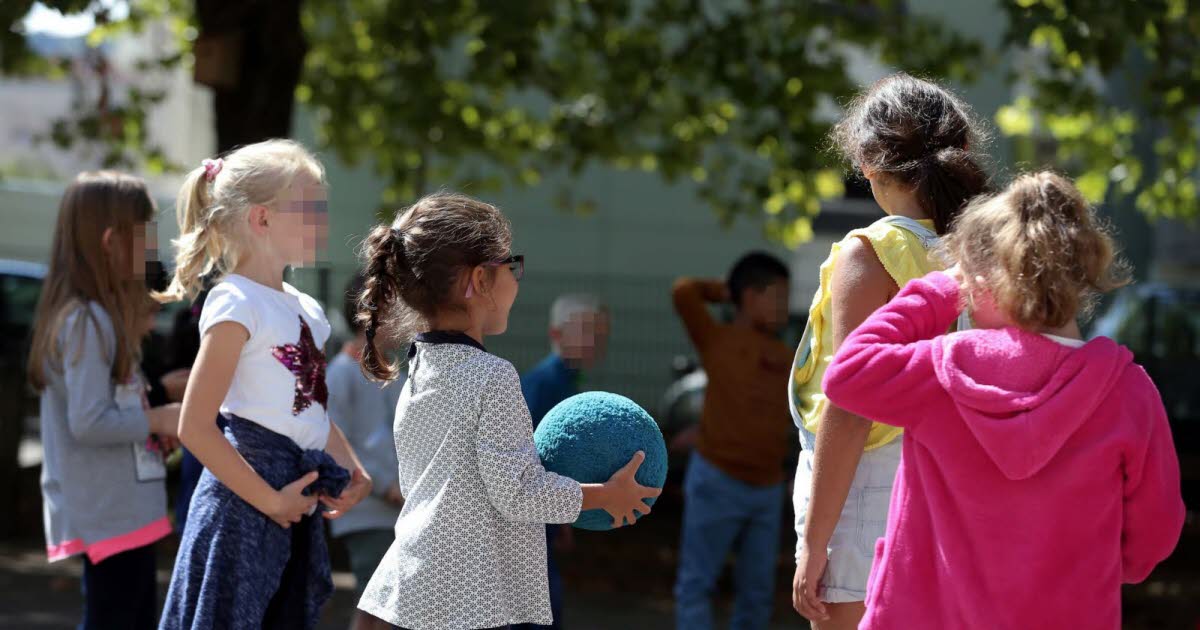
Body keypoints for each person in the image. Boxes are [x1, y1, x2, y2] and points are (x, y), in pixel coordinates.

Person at [821, 171, 1185, 629]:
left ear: (983, 280)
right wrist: (1100, 568)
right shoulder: (1128, 391)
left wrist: (939, 291)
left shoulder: (943, 371)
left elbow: (847, 374)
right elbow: (1156, 532)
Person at [353, 192, 660, 630]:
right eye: (510, 265)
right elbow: (518, 493)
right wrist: (605, 495)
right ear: (480, 280)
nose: (517, 280)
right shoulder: (491, 376)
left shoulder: (420, 370)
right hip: (466, 598)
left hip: (420, 583)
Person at [790, 73, 988, 630]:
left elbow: (850, 405)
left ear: (867, 161)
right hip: (953, 488)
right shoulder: (979, 254)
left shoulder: (870, 252)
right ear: (960, 150)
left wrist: (816, 542)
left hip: (864, 493)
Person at [157, 140, 373, 630]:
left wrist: (353, 468)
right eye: (310, 209)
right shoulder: (236, 301)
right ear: (262, 219)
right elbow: (195, 427)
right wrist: (271, 501)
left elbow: (309, 411)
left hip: (291, 504)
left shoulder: (307, 309)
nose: (323, 222)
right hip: (241, 512)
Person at [27, 171, 181, 629]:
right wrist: (159, 419)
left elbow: (109, 410)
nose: (153, 247)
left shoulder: (97, 319)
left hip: (122, 510)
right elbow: (90, 422)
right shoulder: (87, 321)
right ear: (112, 241)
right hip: (110, 514)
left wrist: (149, 423)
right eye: (146, 234)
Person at [672, 252, 794, 630]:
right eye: (777, 296)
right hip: (716, 479)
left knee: (757, 593)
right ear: (750, 296)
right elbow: (683, 291)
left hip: (767, 489)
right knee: (697, 583)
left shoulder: (787, 355)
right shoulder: (717, 339)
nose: (784, 307)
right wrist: (728, 290)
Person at [516, 293, 611, 630]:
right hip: (525, 520)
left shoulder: (568, 381)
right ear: (555, 334)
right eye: (586, 331)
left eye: (599, 333)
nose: (595, 340)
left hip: (545, 515)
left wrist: (563, 518)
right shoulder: (544, 383)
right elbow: (526, 453)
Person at [326, 272, 406, 630]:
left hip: (398, 511)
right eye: (394, 309)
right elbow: (337, 441)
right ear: (367, 315)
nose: (404, 316)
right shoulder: (341, 373)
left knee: (384, 606)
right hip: (366, 511)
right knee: (381, 605)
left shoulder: (396, 373)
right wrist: (386, 485)